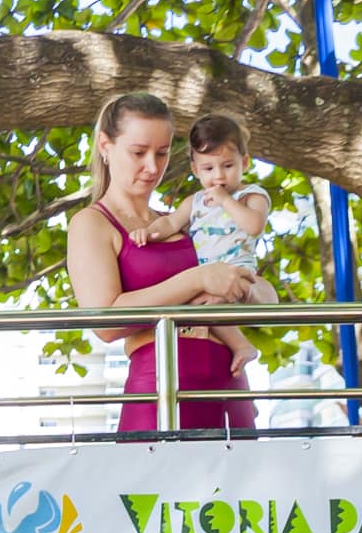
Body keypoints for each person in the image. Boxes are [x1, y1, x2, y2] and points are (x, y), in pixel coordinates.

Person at [70, 92, 259, 435]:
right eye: (139, 153)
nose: (153, 167)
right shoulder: (92, 223)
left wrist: (244, 288)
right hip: (159, 390)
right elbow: (106, 322)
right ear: (105, 145)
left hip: (230, 382)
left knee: (246, 489)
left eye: (162, 152)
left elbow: (262, 293)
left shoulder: (188, 218)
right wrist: (199, 279)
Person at [138, 113, 279, 373]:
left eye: (228, 166)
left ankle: (240, 346)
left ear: (244, 162)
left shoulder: (252, 195)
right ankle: (241, 345)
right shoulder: (195, 202)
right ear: (195, 170)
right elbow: (170, 223)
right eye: (209, 169)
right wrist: (148, 232)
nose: (219, 177)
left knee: (232, 299)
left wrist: (227, 201)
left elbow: (254, 226)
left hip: (240, 271)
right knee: (199, 307)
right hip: (208, 279)